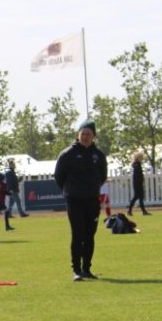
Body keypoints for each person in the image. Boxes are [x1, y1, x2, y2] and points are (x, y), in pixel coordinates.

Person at [54, 119, 108, 281]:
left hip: (92, 200)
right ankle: (77, 270)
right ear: (78, 135)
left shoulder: (98, 155)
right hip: (74, 200)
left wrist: (93, 188)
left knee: (90, 235)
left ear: (94, 136)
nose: (85, 137)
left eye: (88, 134)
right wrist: (69, 190)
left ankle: (87, 268)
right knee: (78, 234)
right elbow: (59, 176)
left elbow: (103, 175)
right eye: (83, 134)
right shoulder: (67, 154)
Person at [128, 152, 150, 216]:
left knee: (138, 197)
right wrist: (140, 183)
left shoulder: (136, 165)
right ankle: (142, 211)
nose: (142, 158)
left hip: (137, 183)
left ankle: (132, 211)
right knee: (138, 197)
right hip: (138, 184)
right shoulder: (137, 165)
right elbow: (138, 176)